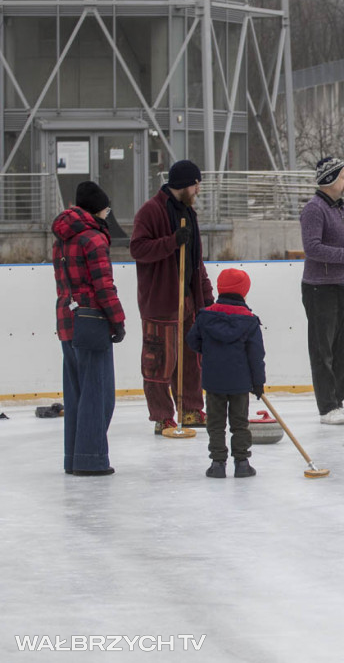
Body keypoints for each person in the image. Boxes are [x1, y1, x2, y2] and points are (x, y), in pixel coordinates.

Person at [130, 159, 214, 434]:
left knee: (191, 359)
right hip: (161, 301)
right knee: (159, 361)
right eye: (197, 183)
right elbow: (138, 250)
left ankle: (190, 410)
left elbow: (195, 260)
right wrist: (171, 242)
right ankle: (162, 415)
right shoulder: (151, 211)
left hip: (188, 299)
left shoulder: (189, 213)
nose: (199, 189)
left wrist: (206, 297)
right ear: (186, 184)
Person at [52, 181, 126, 476]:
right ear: (98, 209)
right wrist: (117, 320)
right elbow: (103, 285)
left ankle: (74, 456)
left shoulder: (61, 238)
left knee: (76, 394)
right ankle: (92, 458)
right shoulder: (93, 239)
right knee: (99, 394)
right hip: (92, 321)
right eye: (106, 209)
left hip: (67, 322)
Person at [300, 156, 344, 425]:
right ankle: (327, 407)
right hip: (320, 289)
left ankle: (337, 403)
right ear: (329, 180)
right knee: (323, 350)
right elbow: (312, 248)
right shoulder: (314, 210)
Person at [186, 268, 266, 478]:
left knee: (215, 423)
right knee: (239, 423)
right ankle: (241, 463)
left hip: (214, 381)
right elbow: (256, 356)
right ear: (243, 292)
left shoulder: (205, 316)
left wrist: (211, 352)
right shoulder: (249, 321)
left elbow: (192, 341)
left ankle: (217, 464)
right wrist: (258, 383)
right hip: (240, 383)